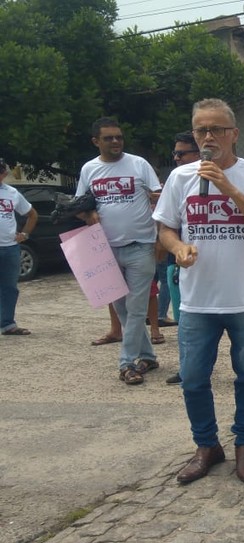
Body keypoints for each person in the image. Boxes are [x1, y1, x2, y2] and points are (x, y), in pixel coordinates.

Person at [154, 98, 244, 484]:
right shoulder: (181, 178)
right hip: (197, 300)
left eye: (216, 129)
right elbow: (165, 228)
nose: (209, 137)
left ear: (234, 134)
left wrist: (227, 187)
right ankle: (207, 446)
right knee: (193, 379)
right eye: (201, 130)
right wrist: (178, 248)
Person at [77, 118, 161, 384]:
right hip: (105, 248)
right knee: (122, 308)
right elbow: (80, 204)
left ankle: (127, 364)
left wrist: (160, 237)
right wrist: (88, 215)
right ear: (96, 141)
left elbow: (159, 198)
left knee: (136, 308)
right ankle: (147, 356)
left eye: (119, 137)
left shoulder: (139, 164)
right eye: (109, 138)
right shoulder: (89, 169)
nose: (115, 142)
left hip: (141, 245)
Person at [163, 132, 201, 385]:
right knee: (182, 316)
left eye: (182, 153)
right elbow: (166, 225)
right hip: (179, 263)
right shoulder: (176, 180)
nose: (177, 158)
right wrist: (176, 247)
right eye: (174, 154)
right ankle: (187, 366)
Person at [0, 159, 38, 336]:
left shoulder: (12, 193)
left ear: (4, 174)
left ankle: (8, 324)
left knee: (9, 287)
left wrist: (24, 234)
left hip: (10, 248)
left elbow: (31, 214)